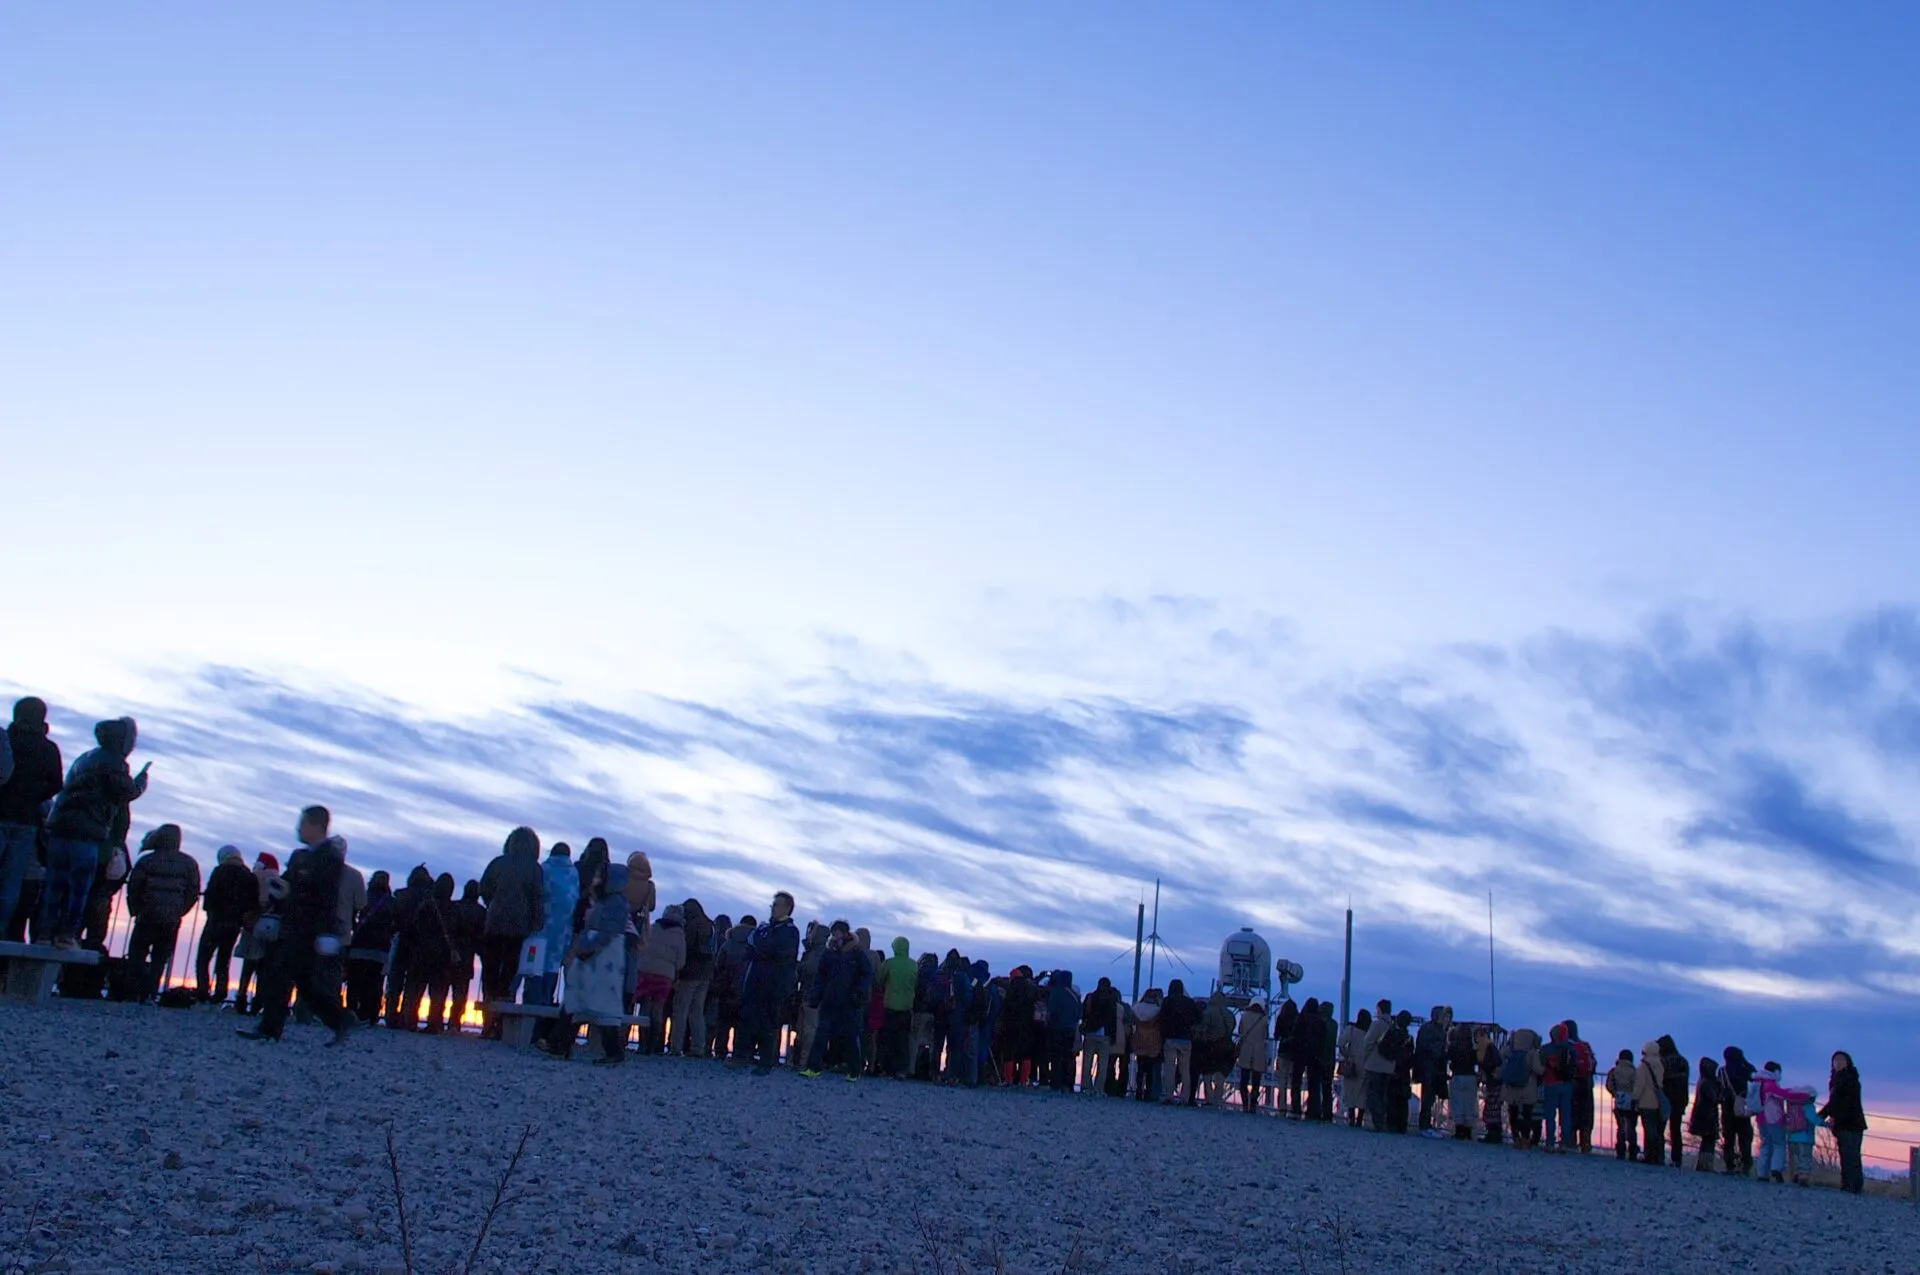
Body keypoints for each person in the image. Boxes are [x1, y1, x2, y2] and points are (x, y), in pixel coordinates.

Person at [237, 806, 353, 1046]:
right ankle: (339, 1020)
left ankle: (272, 1028)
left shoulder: (327, 858)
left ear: (316, 825)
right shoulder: (304, 856)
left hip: (308, 928)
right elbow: (295, 883)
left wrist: (293, 891)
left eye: (303, 823)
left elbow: (323, 894)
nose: (299, 828)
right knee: (303, 982)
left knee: (283, 975)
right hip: (297, 926)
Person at [41, 718, 147, 949]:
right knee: (79, 888)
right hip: (87, 831)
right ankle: (66, 935)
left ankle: (45, 932)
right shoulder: (114, 762)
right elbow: (125, 791)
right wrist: (140, 784)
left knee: (55, 884)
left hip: (60, 828)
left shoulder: (85, 758)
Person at [538, 863, 630, 1065]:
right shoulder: (610, 901)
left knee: (596, 1003)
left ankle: (610, 1051)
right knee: (578, 1000)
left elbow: (607, 932)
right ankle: (560, 1044)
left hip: (601, 959)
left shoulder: (615, 903)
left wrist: (587, 948)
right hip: (597, 958)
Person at [0, 698, 63, 940]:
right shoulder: (48, 748)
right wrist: (35, 798)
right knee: (10, 884)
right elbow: (56, 783)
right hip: (26, 820)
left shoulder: (7, 739)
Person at [478, 826, 544, 1035]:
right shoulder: (534, 868)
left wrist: (493, 904)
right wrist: (536, 921)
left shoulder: (498, 863)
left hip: (495, 921)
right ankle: (499, 1022)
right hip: (519, 926)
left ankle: (488, 1021)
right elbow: (537, 897)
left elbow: (484, 888)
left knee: (490, 971)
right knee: (508, 971)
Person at [123, 824, 201, 1002]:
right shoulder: (189, 863)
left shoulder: (147, 860)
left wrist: (135, 908)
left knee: (137, 953)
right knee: (160, 956)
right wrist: (180, 910)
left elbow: (134, 886)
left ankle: (132, 991)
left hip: (147, 913)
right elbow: (193, 891)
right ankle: (150, 992)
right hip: (171, 917)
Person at [734, 893, 800, 1074]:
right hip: (756, 980)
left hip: (774, 984)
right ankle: (741, 1055)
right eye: (773, 904)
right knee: (747, 1018)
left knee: (768, 1022)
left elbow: (771, 949)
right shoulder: (766, 928)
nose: (773, 907)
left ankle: (766, 1061)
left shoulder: (789, 931)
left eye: (777, 905)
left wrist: (760, 945)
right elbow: (751, 946)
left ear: (787, 908)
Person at [802, 921, 873, 1079]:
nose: (835, 936)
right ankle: (813, 1068)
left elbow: (868, 974)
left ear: (846, 933)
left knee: (849, 1036)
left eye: (838, 932)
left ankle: (854, 1071)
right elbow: (821, 977)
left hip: (849, 1001)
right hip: (829, 999)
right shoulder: (829, 953)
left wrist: (860, 991)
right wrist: (815, 996)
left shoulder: (856, 953)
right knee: (821, 1034)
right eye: (834, 933)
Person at [196, 846, 257, 1005]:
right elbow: (252, 902)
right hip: (234, 924)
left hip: (216, 921)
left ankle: (202, 990)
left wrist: (210, 912)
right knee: (224, 958)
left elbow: (210, 896)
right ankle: (221, 991)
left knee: (203, 957)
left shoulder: (219, 871)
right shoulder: (249, 876)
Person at [401, 874, 459, 1033]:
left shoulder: (426, 905)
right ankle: (435, 1023)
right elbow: (457, 933)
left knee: (415, 989)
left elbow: (413, 928)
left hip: (422, 952)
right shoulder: (454, 909)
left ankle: (409, 1020)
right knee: (438, 992)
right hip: (443, 955)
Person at [384, 865, 434, 1028]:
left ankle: (391, 1016)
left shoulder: (400, 895)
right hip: (420, 944)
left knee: (395, 981)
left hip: (401, 941)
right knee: (414, 984)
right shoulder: (429, 898)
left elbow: (392, 921)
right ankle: (408, 1018)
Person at [231, 852, 280, 1015]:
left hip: (251, 923)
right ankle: (258, 1001)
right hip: (269, 925)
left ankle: (241, 997)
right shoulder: (277, 880)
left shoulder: (252, 877)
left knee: (248, 965)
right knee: (264, 967)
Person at [635, 902, 687, 1053]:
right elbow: (681, 961)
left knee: (644, 1007)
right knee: (658, 1009)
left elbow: (642, 945)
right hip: (665, 975)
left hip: (645, 970)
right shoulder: (679, 935)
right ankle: (653, 1044)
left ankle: (641, 1044)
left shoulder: (653, 927)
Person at [344, 869, 394, 1024]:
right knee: (374, 984)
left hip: (359, 944)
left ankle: (352, 1011)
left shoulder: (363, 896)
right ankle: (370, 1015)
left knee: (354, 982)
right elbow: (398, 923)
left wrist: (355, 929)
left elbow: (351, 915)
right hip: (380, 949)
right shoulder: (391, 902)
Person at [533, 842, 577, 1006]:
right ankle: (547, 998)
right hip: (562, 929)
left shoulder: (543, 869)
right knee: (553, 964)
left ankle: (533, 999)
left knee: (535, 963)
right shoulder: (573, 873)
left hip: (541, 925)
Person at [1819, 1051, 1867, 1195]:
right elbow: (1835, 1102)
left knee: (1850, 1155)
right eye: (1835, 1060)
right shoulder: (1837, 1079)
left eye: (1841, 1060)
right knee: (1848, 1155)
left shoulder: (1849, 1079)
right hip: (1845, 1123)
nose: (1838, 1063)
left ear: (1847, 1062)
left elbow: (1841, 1102)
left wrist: (1823, 1115)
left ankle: (1851, 1185)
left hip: (1851, 1123)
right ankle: (1851, 1185)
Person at [672, 898, 715, 1057]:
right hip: (706, 974)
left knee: (681, 1010)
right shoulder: (710, 925)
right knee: (697, 1011)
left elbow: (685, 949)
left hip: (689, 973)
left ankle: (676, 1047)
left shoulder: (691, 925)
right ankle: (698, 1047)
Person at [709, 914, 753, 1061]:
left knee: (723, 1022)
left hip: (726, 987)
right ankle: (739, 1053)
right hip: (747, 989)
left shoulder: (729, 943)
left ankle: (720, 1051)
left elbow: (718, 964)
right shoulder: (756, 945)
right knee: (743, 1024)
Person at [449, 880, 486, 1031]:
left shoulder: (454, 906)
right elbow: (482, 936)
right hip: (467, 954)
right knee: (460, 992)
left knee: (441, 988)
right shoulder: (481, 912)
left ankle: (435, 1019)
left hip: (449, 952)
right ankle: (454, 1022)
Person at [1500, 1027, 1543, 1149]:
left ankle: (1515, 1137)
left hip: (1511, 1086)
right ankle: (1525, 1138)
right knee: (1527, 1114)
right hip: (1528, 1086)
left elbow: (1501, 1055)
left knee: (1512, 1112)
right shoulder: (1531, 1052)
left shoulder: (1510, 1049)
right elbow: (1538, 1070)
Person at [1159, 979, 1199, 1106]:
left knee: (1169, 1069)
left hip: (1170, 1038)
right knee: (1185, 1069)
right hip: (1186, 1039)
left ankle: (1169, 1096)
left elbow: (1162, 1019)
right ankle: (1184, 1098)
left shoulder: (1167, 1001)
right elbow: (1199, 1017)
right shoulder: (1190, 1003)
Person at [1079, 976, 1121, 1097]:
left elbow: (1084, 1014)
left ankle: (1086, 1087)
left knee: (1087, 1062)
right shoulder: (1111, 1000)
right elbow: (1113, 1021)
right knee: (1103, 1064)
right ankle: (1099, 1089)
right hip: (1105, 1035)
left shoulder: (1090, 997)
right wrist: (1113, 1036)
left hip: (1090, 1033)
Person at [1538, 1022, 1575, 1152]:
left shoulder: (1546, 1049)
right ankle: (1564, 1143)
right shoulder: (1571, 1048)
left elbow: (1540, 1065)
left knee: (1550, 1115)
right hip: (1567, 1085)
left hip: (1551, 1084)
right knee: (1565, 1115)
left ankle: (1550, 1142)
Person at [1720, 1046, 1758, 1176]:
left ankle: (1730, 1165)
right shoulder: (1744, 1070)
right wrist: (1745, 1061)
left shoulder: (1722, 1070)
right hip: (1741, 1106)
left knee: (1728, 1138)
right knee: (1745, 1137)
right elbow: (1755, 1075)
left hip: (1727, 1107)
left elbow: (1721, 1087)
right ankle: (1746, 1164)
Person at [1413, 1005, 1450, 1133]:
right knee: (1427, 1098)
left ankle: (1426, 1123)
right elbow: (1424, 1047)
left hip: (1434, 1069)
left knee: (1430, 1098)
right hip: (1429, 1068)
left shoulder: (1437, 1030)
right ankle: (1424, 1124)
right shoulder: (1430, 1029)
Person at [1361, 1000, 1397, 1132]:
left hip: (1374, 1065)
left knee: (1372, 1095)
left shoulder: (1377, 1024)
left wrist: (1364, 1059)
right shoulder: (1392, 1025)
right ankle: (1383, 1122)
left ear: (1379, 1009)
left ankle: (1378, 1123)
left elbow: (1367, 1043)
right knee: (1382, 1096)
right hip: (1389, 1067)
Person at [1752, 1060, 1790, 1183]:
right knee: (1779, 1144)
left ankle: (1762, 1173)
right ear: (1776, 1071)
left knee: (1765, 1145)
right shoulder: (1771, 1084)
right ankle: (1776, 1168)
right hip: (1774, 1119)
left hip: (1760, 1117)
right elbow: (1783, 1095)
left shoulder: (1757, 1082)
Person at [1044, 970, 1081, 1093]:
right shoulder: (1075, 995)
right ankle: (1067, 1084)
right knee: (1068, 1057)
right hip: (1070, 1030)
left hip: (1056, 1029)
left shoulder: (1056, 992)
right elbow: (1079, 1014)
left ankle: (1055, 1083)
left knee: (1056, 1057)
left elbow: (1051, 1011)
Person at [1564, 1019, 1598, 1153]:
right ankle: (1586, 1143)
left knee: (1571, 1113)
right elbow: (1593, 1064)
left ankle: (1571, 1142)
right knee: (1586, 1115)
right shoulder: (1585, 1046)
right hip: (1587, 1084)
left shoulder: (1566, 1046)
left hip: (1572, 1083)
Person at [1656, 1034, 1690, 1169]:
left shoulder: (1662, 1061)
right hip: (1680, 1098)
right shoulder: (1683, 1061)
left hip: (1665, 1097)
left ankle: (1659, 1156)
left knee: (1660, 1128)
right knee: (1675, 1130)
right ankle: (1677, 1159)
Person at [1291, 997, 1324, 1119]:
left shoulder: (1301, 1018)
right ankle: (1313, 1111)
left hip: (1300, 1053)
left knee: (1296, 1082)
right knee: (1313, 1084)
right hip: (1314, 1055)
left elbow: (1295, 1035)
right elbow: (1322, 1040)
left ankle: (1295, 1109)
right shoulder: (1320, 1022)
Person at [1633, 1041, 1666, 1166]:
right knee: (1657, 1130)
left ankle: (1649, 1155)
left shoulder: (1643, 1066)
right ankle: (1658, 1156)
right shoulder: (1660, 1065)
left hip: (1646, 1102)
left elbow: (1639, 1085)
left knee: (1648, 1130)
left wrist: (1634, 1098)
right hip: (1657, 1102)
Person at [1337, 1009, 1371, 1128]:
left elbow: (1341, 1043)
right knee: (1362, 1092)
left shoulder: (1351, 1030)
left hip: (1352, 1063)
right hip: (1366, 1064)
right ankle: (1359, 1119)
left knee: (1350, 1091)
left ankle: (1351, 1118)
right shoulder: (1370, 1032)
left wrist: (1346, 1054)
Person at [1445, 1018, 1478, 1140]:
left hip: (1457, 1075)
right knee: (1469, 1104)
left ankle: (1459, 1130)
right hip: (1470, 1076)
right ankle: (1468, 1131)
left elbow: (1448, 1058)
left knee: (1457, 1104)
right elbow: (1476, 1060)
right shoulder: (1472, 1047)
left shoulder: (1453, 1046)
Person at [1130, 988, 1164, 1101]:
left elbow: (1132, 1023)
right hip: (1153, 1039)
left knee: (1140, 1067)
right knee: (1150, 1069)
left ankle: (1138, 1091)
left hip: (1139, 1038)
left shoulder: (1136, 1008)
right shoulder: (1158, 1010)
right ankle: (1148, 1093)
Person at [1235, 1000, 1269, 1114]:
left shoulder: (1244, 1016)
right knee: (1256, 1081)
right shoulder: (1264, 1018)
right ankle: (1253, 1105)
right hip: (1259, 1051)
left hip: (1246, 1049)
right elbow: (1266, 1035)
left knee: (1243, 1080)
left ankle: (1245, 1104)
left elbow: (1240, 1031)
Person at [1606, 1049, 1639, 1160]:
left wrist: (1615, 1093)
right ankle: (1633, 1151)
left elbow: (1609, 1084)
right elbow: (1637, 1087)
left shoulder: (1614, 1071)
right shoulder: (1634, 1072)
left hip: (1619, 1101)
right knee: (1631, 1127)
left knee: (1620, 1126)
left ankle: (1620, 1150)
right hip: (1632, 1102)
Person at [1474, 1026, 1505, 1145]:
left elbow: (1495, 1062)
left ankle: (1494, 1135)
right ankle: (1494, 1134)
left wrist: (1485, 1069)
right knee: (1492, 1110)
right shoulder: (1488, 1047)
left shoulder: (1487, 1048)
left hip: (1494, 1082)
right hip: (1493, 1082)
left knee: (1492, 1110)